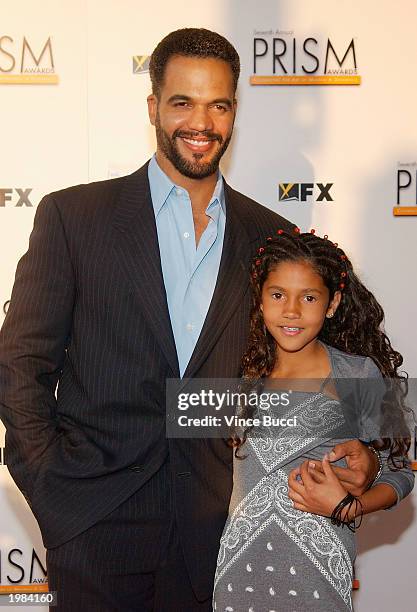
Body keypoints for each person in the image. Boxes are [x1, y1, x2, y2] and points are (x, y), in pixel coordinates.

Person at [0, 29, 378, 611]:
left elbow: (319, 361)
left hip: (220, 532)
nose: (200, 122)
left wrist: (370, 451)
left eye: (218, 105)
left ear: (233, 114)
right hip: (97, 524)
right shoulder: (75, 218)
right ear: (153, 107)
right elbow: (20, 363)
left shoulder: (271, 237)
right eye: (182, 102)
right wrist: (55, 493)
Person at [213, 230, 414, 612]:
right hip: (238, 574)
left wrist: (350, 507)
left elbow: (400, 472)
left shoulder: (357, 375)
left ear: (333, 303)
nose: (292, 310)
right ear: (260, 300)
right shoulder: (240, 373)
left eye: (308, 297)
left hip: (318, 574)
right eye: (277, 295)